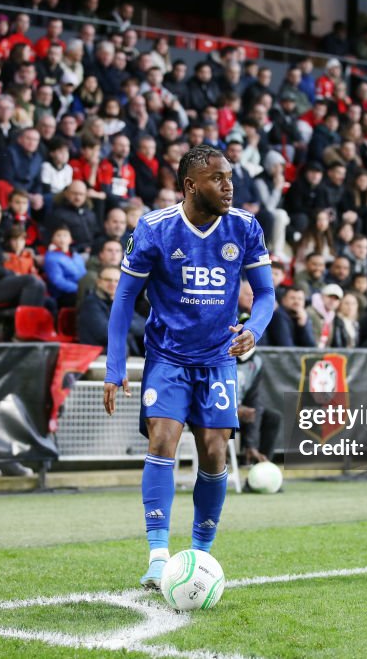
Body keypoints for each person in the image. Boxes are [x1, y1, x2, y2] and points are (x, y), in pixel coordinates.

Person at [103, 144, 274, 589]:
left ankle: (199, 557)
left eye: (229, 176)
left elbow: (267, 294)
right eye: (217, 178)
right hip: (168, 356)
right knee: (162, 439)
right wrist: (115, 366)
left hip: (218, 358)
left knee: (215, 450)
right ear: (190, 185)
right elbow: (123, 299)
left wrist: (253, 328)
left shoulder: (245, 226)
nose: (228, 185)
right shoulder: (154, 229)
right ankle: (158, 556)